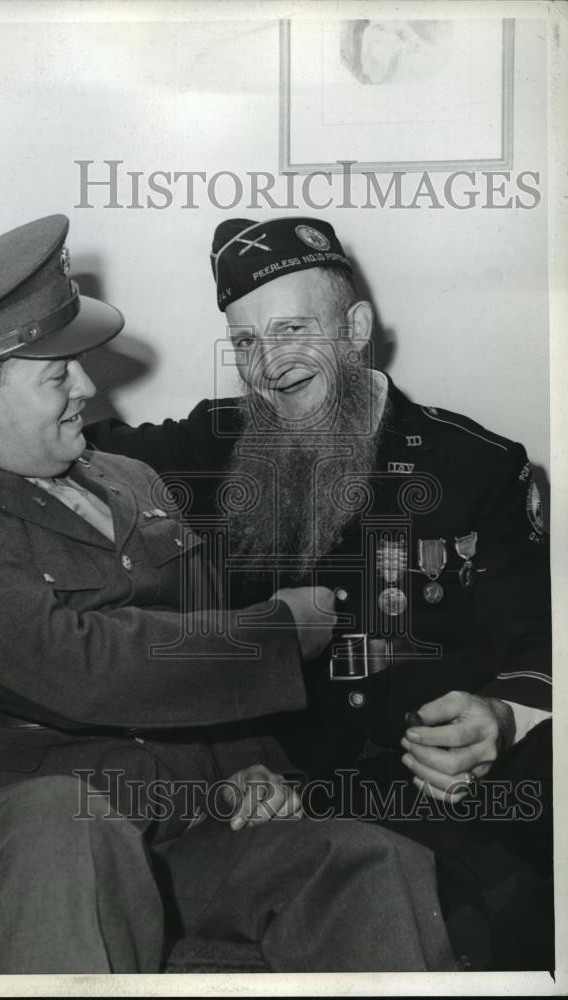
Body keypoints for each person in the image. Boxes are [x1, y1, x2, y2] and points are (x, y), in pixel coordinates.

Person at [0, 214, 455, 975]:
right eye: (58, 375)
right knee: (64, 825)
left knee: (364, 860)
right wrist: (277, 633)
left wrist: (251, 768)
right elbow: (70, 664)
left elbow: (192, 633)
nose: (87, 389)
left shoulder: (130, 483)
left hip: (159, 825)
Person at [85, 216, 554, 969]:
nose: (268, 365)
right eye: (244, 342)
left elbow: (536, 641)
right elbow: (62, 454)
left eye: (292, 328)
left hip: (452, 783)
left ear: (355, 328)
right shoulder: (212, 445)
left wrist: (499, 715)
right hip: (296, 797)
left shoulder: (476, 465)